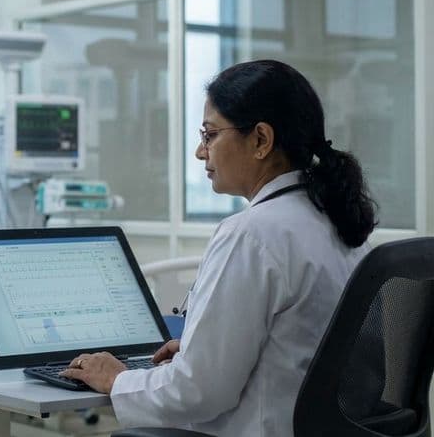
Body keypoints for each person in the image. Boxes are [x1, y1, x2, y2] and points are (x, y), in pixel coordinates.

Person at [61, 59, 377, 436]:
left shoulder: (252, 234)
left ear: (260, 140)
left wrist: (117, 379)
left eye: (210, 135)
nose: (200, 151)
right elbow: (304, 346)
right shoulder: (336, 222)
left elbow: (197, 392)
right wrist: (201, 348)